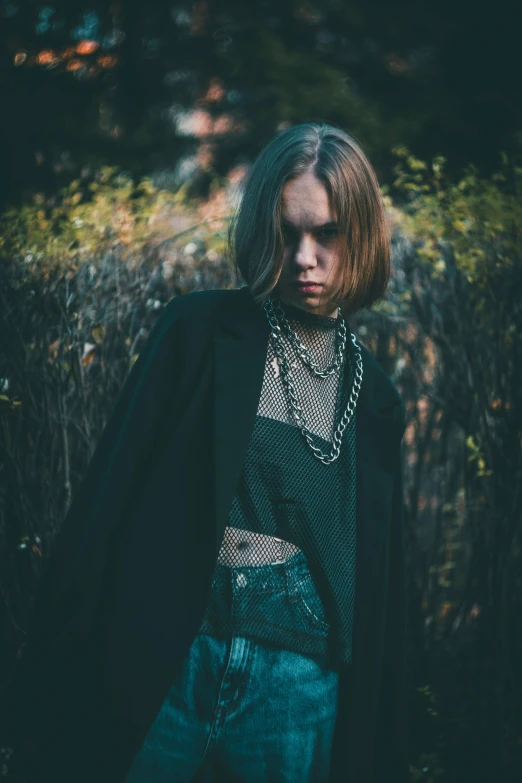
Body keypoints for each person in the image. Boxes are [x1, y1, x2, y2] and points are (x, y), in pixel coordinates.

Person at [1, 122, 409, 783]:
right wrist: (45, 689)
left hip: (296, 686)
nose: (305, 256)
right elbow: (107, 504)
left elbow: (381, 589)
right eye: (287, 231)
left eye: (327, 232)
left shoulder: (377, 397)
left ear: (359, 233)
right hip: (167, 654)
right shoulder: (197, 332)